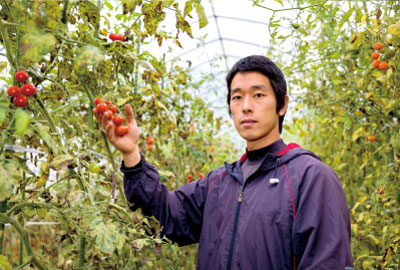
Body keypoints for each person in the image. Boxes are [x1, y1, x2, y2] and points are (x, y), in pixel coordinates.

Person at [94, 55, 354, 270]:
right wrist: (132, 155)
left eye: (258, 95)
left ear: (282, 105)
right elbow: (167, 216)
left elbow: (327, 263)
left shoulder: (310, 178)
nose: (246, 107)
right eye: (237, 97)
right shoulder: (220, 182)